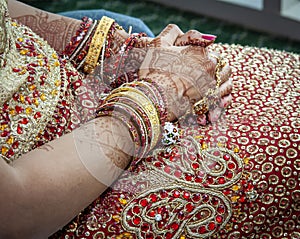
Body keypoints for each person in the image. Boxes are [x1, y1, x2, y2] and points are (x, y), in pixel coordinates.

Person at [1, 1, 299, 239]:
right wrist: (163, 92)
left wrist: (124, 52)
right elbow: (15, 213)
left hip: (54, 75)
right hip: (58, 186)